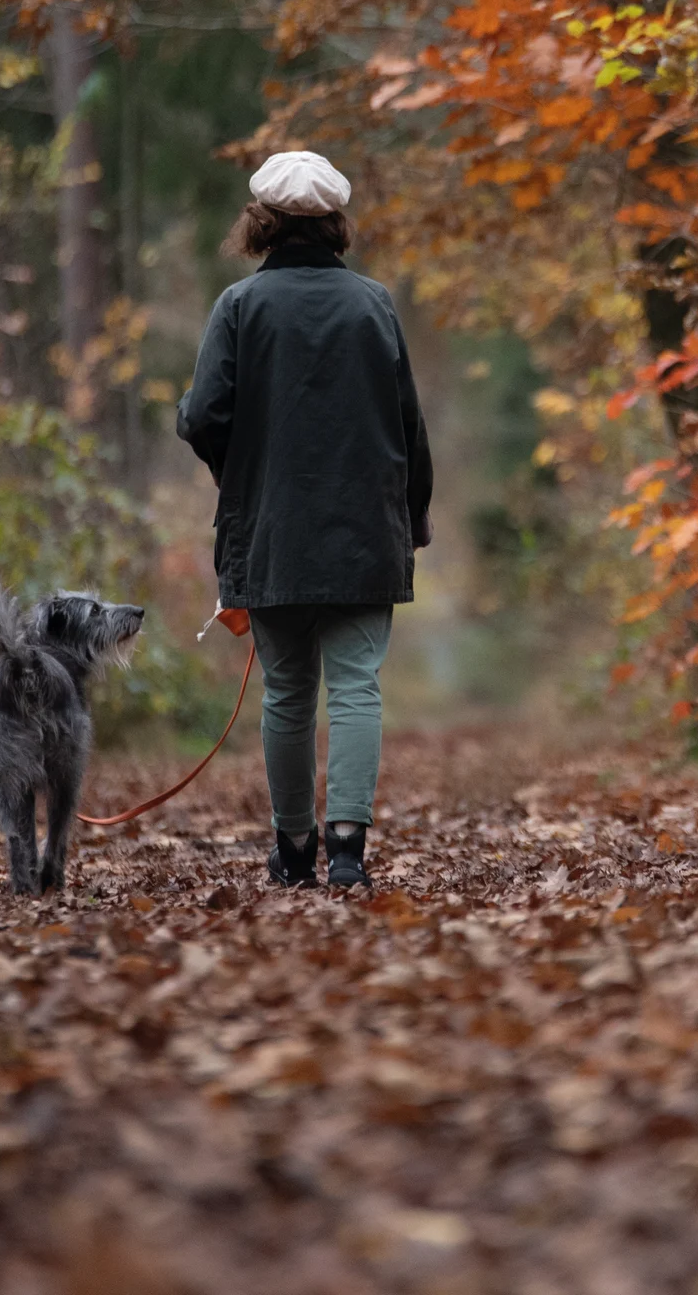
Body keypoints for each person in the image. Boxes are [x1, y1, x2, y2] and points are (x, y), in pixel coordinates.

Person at [176, 151, 432, 889]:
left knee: (287, 691)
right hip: (365, 530)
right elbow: (409, 428)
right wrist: (411, 519)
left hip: (271, 532)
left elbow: (202, 418)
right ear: (334, 224)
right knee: (356, 687)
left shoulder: (238, 307)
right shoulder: (374, 303)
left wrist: (240, 473)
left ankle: (293, 850)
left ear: (260, 224)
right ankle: (347, 848)